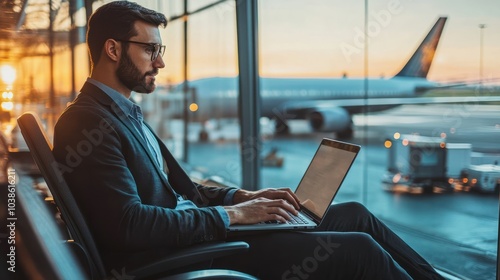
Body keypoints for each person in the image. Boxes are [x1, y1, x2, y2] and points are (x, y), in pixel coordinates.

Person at [52, 1, 444, 279]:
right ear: (112, 49)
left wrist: (241, 197)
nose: (160, 62)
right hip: (186, 254)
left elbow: (178, 189)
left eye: (160, 49)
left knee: (355, 213)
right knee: (360, 251)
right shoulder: (86, 123)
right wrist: (235, 218)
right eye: (151, 49)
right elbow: (129, 227)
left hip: (200, 232)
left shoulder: (121, 111)